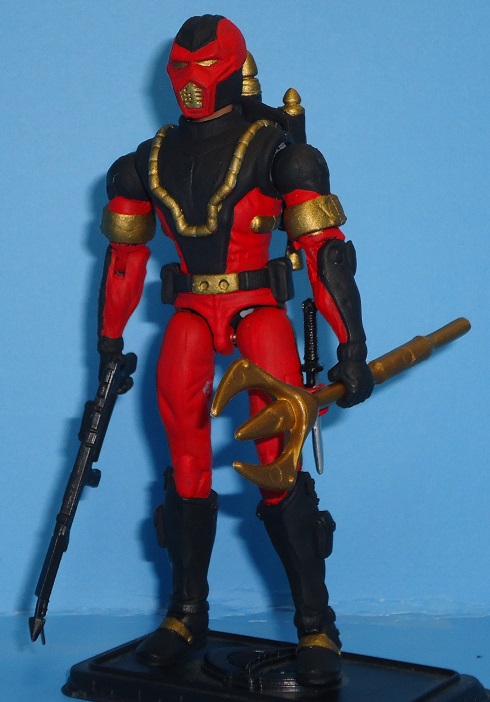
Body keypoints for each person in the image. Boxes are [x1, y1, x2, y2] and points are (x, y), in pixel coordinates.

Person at [97, 14, 373, 687]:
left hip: (257, 311)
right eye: (179, 69)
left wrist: (352, 345)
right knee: (186, 464)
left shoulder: (280, 154)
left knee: (278, 461)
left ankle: (316, 624)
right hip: (191, 313)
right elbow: (124, 261)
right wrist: (109, 341)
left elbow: (325, 257)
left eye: (205, 67)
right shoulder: (143, 163)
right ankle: (185, 613)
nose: (190, 81)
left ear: (233, 67)